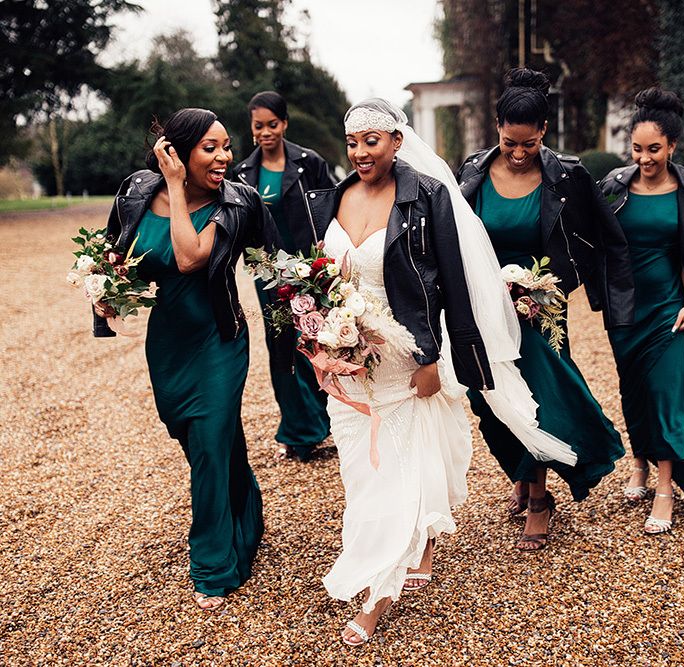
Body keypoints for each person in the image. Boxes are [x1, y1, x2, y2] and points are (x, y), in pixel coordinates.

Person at [308, 98, 576, 645]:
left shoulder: (426, 196)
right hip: (347, 362)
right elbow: (318, 282)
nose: (360, 152)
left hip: (407, 358)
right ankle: (416, 537)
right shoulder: (334, 197)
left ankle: (377, 594)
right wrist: (319, 342)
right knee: (361, 473)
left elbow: (453, 284)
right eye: (353, 141)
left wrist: (436, 360)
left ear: (396, 142)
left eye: (372, 140)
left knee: (394, 473)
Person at [94, 108, 278, 608]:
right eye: (210, 148)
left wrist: (175, 187)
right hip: (169, 341)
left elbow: (189, 257)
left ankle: (214, 565)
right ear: (177, 150)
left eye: (226, 146)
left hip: (220, 338)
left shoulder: (236, 202)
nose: (224, 157)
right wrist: (105, 295)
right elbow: (116, 255)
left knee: (210, 441)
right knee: (196, 437)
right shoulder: (135, 192)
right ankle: (246, 512)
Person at [457, 68, 634, 550]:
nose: (517, 153)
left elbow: (603, 240)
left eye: (529, 144)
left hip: (540, 313)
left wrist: (561, 288)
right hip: (483, 310)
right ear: (496, 125)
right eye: (510, 142)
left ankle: (539, 498)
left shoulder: (569, 175)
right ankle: (522, 470)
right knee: (489, 402)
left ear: (544, 133)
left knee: (536, 403)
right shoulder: (471, 171)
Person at [600, 87, 684, 531]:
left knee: (669, 397)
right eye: (637, 148)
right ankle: (639, 463)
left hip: (670, 309)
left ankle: (665, 488)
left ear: (673, 146)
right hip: (624, 310)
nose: (644, 157)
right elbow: (587, 239)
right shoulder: (613, 186)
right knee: (634, 391)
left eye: (654, 149)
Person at [233, 91, 334, 462]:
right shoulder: (243, 172)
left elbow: (330, 210)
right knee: (281, 348)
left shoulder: (310, 162)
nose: (265, 132)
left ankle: (330, 419)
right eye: (258, 126)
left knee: (317, 341)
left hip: (310, 270)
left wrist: (325, 260)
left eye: (272, 125)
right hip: (268, 274)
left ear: (284, 123)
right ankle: (299, 431)